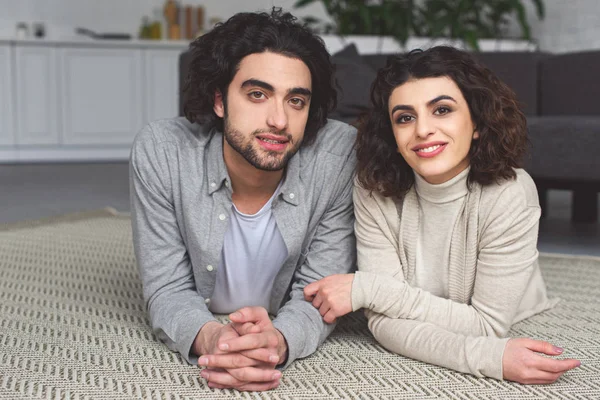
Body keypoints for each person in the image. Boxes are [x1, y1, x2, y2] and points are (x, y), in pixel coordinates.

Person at [304, 46, 581, 384]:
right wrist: (486, 355)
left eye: (442, 110)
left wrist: (367, 289)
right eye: (405, 117)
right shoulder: (373, 185)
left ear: (476, 123)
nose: (422, 130)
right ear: (392, 135)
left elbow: (486, 326)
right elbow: (383, 323)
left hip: (515, 304)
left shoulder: (511, 192)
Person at [129, 8, 357, 392]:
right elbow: (166, 287)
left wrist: (278, 341)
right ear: (220, 101)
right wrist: (212, 339)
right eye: (257, 94)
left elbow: (322, 288)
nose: (279, 120)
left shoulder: (337, 155)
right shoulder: (162, 151)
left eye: (296, 101)